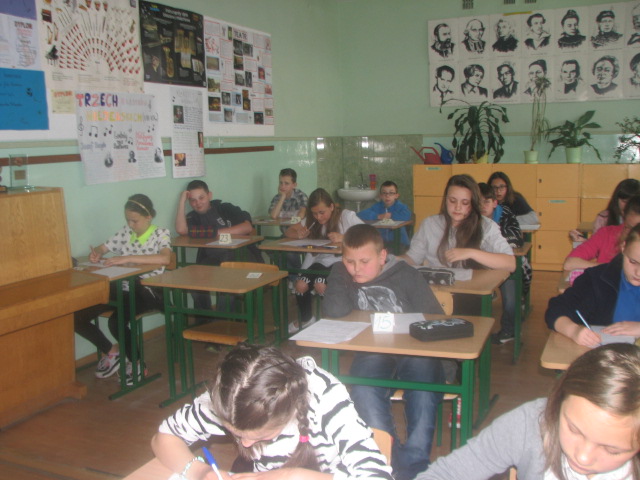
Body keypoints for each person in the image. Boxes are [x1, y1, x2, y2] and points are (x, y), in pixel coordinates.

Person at [151, 344, 394, 480]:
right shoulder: (230, 396)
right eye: (235, 433)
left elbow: (376, 475)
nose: (244, 444)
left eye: (260, 436)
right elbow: (163, 438)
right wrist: (201, 472)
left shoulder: (324, 396)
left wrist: (291, 476)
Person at [323, 224, 445, 480]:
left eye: (364, 262)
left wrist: (447, 367)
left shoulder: (406, 275)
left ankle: (415, 466)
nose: (356, 268)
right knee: (364, 389)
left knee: (423, 391)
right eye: (349, 261)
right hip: (373, 350)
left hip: (416, 349)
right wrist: (340, 271)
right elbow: (334, 311)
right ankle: (390, 459)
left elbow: (435, 319)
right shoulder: (343, 273)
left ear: (382, 256)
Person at [415, 343, 640, 480]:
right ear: (559, 399)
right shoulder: (531, 422)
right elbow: (447, 474)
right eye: (573, 429)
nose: (583, 456)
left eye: (612, 450)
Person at [74, 194, 171, 385]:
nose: (131, 225)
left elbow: (165, 258)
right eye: (128, 220)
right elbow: (103, 248)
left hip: (146, 290)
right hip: (121, 287)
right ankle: (111, 352)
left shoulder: (160, 233)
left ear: (149, 217)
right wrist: (96, 254)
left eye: (135, 221)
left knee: (116, 322)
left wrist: (126, 258)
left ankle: (137, 363)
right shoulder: (125, 232)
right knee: (77, 318)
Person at [546, 224, 640, 347]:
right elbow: (557, 309)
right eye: (633, 261)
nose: (638, 273)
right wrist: (573, 331)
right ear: (623, 247)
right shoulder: (598, 279)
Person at [401, 174, 515, 276]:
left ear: (473, 203)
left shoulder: (486, 226)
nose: (458, 207)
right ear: (445, 200)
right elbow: (413, 258)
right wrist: (393, 260)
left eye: (465, 203)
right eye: (452, 201)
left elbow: (510, 264)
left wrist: (471, 253)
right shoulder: (430, 224)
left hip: (472, 288)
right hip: (439, 288)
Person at [175, 180, 256, 320]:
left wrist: (215, 233)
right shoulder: (193, 217)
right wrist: (182, 201)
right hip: (213, 259)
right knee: (195, 282)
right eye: (192, 200)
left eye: (201, 198)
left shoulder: (225, 208)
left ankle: (223, 324)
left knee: (226, 284)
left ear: (209, 195)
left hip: (239, 256)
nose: (198, 203)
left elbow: (247, 227)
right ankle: (206, 322)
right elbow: (181, 230)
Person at [285, 188, 363, 326]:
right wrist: (298, 234)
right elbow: (289, 231)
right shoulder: (312, 220)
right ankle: (306, 319)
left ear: (331, 207)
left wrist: (344, 237)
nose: (318, 217)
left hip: (342, 262)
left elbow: (367, 233)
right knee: (301, 284)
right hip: (321, 262)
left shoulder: (346, 216)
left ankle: (335, 319)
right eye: (314, 213)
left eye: (322, 212)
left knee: (321, 283)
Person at [478, 183, 532, 344]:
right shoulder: (470, 217)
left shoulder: (505, 213)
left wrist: (493, 241)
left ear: (495, 203)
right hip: (480, 265)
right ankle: (476, 331)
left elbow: (516, 239)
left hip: (507, 263)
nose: (482, 206)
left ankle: (509, 330)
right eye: (478, 202)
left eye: (486, 202)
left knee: (510, 299)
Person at [563, 195, 640, 272]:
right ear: (624, 217)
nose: (633, 233)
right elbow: (570, 263)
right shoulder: (606, 234)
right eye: (628, 227)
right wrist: (611, 268)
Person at [570, 179, 640, 243]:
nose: (627, 206)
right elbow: (596, 245)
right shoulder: (604, 218)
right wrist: (582, 241)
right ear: (616, 200)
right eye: (624, 201)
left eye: (631, 203)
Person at [357, 181, 412, 251]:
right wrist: (378, 216)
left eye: (391, 193)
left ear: (396, 196)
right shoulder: (377, 207)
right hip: (382, 243)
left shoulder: (400, 207)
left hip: (400, 243)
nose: (387, 196)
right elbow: (360, 215)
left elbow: (407, 215)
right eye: (384, 193)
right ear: (380, 196)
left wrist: (390, 216)